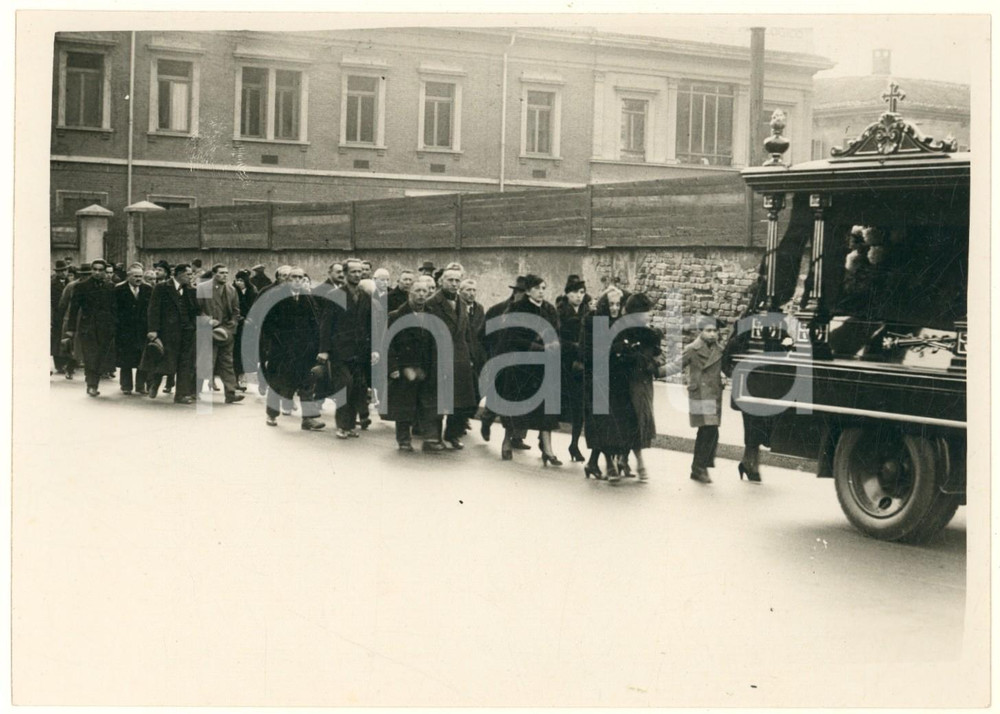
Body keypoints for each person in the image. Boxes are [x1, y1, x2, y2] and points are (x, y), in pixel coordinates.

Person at [494, 274, 562, 464]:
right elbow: (511, 337)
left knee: (546, 410)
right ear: (529, 290)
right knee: (516, 407)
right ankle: (507, 441)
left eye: (543, 288)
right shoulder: (517, 308)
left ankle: (548, 449)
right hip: (521, 367)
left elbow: (556, 331)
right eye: (537, 288)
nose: (541, 292)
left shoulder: (549, 309)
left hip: (543, 368)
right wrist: (538, 347)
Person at [318, 258, 378, 438]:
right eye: (353, 272)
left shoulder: (365, 296)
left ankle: (350, 425)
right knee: (345, 385)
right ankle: (342, 425)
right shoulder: (335, 295)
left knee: (357, 388)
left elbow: (371, 325)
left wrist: (374, 349)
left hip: (360, 351)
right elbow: (326, 324)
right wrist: (324, 350)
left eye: (360, 271)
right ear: (345, 274)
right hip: (340, 351)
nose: (358, 275)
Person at [260, 268, 324, 429]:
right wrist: (278, 343)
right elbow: (267, 323)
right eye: (294, 277)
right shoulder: (275, 296)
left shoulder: (307, 298)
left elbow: (314, 322)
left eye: (300, 277)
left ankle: (308, 419)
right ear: (287, 279)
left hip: (304, 350)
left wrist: (315, 345)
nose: (297, 280)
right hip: (281, 350)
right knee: (277, 383)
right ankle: (272, 413)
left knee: (307, 383)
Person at [424, 264, 478, 449]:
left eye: (457, 280)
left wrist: (471, 357)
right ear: (441, 281)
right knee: (437, 400)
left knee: (461, 402)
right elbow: (425, 335)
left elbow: (467, 334)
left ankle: (453, 434)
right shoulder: (431, 304)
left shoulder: (462, 304)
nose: (454, 284)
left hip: (460, 359)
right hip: (438, 358)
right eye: (450, 280)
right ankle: (432, 438)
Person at [385, 276, 441, 451]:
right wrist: (393, 368)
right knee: (404, 404)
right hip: (405, 367)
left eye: (425, 291)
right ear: (410, 293)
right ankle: (403, 439)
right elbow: (388, 344)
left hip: (426, 367)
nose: (421, 294)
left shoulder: (432, 316)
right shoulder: (396, 316)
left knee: (428, 403)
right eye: (417, 291)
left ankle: (430, 439)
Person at [613, 293, 664, 482]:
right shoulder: (624, 332)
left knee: (639, 421)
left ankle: (623, 459)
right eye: (646, 312)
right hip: (628, 383)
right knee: (633, 421)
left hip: (644, 383)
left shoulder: (650, 333)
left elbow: (659, 355)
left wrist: (655, 363)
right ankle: (639, 463)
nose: (649, 315)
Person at [581, 286, 630, 479]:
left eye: (618, 304)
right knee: (603, 423)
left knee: (610, 423)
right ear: (604, 305)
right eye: (611, 304)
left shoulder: (621, 323)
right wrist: (617, 348)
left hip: (617, 381)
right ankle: (607, 465)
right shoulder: (593, 322)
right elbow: (588, 352)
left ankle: (593, 463)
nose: (615, 308)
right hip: (598, 379)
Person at [478, 275, 530, 449]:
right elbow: (482, 334)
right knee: (497, 395)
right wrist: (493, 352)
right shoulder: (498, 310)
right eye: (523, 293)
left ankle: (518, 437)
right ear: (515, 292)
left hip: (523, 361)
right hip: (500, 359)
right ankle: (487, 420)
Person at [143, 263, 199, 404]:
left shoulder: (191, 290)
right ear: (179, 274)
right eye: (188, 274)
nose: (191, 277)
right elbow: (153, 309)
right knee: (165, 360)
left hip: (187, 332)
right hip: (167, 332)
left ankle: (181, 395)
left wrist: (193, 325)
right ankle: (154, 384)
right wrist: (153, 329)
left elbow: (195, 310)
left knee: (185, 363)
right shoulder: (161, 287)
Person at [64, 259, 117, 397]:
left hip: (105, 328)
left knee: (100, 357)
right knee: (90, 356)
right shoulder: (82, 286)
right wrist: (71, 329)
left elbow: (115, 309)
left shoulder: (110, 287)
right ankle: (91, 385)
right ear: (92, 270)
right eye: (95, 269)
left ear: (105, 271)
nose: (97, 272)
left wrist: (114, 326)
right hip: (88, 327)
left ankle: (94, 382)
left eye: (100, 270)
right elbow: (74, 309)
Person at [684, 316, 725, 484]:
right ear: (700, 332)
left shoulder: (720, 350)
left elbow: (727, 368)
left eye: (715, 331)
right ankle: (699, 468)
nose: (712, 334)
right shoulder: (692, 349)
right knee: (708, 430)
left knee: (710, 431)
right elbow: (676, 364)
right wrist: (655, 371)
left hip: (714, 395)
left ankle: (700, 467)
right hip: (700, 394)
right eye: (708, 330)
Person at [197, 264, 244, 404]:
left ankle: (230, 393)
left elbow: (236, 311)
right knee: (204, 361)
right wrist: (208, 321)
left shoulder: (231, 290)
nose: (225, 275)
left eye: (226, 273)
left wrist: (232, 325)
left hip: (226, 331)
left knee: (227, 362)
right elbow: (197, 309)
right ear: (214, 274)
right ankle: (195, 391)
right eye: (221, 273)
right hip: (208, 330)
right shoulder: (203, 288)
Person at [557, 274, 589, 463]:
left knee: (579, 407)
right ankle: (543, 441)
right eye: (575, 292)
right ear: (567, 294)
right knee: (555, 406)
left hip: (580, 366)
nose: (579, 296)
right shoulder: (560, 312)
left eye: (582, 292)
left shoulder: (587, 311)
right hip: (563, 364)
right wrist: (575, 346)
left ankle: (574, 444)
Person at [114, 265, 152, 395]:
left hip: (142, 330)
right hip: (125, 330)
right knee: (126, 358)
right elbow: (114, 309)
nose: (139, 279)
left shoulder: (148, 289)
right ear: (128, 276)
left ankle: (140, 385)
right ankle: (126, 385)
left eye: (141, 276)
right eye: (136, 276)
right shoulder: (119, 289)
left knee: (142, 358)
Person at [57, 263, 91, 380]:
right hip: (73, 319)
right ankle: (69, 368)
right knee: (71, 346)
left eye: (88, 274)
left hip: (88, 320)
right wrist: (62, 319)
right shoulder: (71, 286)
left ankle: (89, 373)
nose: (86, 277)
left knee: (87, 347)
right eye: (84, 274)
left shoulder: (94, 286)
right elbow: (63, 303)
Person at [232, 269, 257, 390]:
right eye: (237, 280)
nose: (239, 282)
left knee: (245, 353)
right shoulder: (232, 291)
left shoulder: (252, 291)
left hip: (248, 326)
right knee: (235, 352)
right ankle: (236, 378)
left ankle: (242, 377)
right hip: (236, 325)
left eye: (241, 280)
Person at [50, 260, 71, 374]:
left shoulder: (70, 282)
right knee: (57, 339)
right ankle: (59, 364)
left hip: (67, 315)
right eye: (60, 271)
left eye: (65, 270)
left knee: (66, 339)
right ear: (56, 272)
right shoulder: (52, 284)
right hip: (57, 316)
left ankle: (67, 363)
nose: (63, 273)